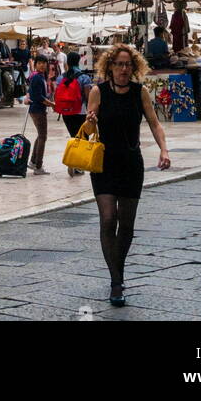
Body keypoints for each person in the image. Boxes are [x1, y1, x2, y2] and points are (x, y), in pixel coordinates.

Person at [84, 44, 171, 307]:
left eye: (127, 65)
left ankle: (117, 272)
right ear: (109, 66)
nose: (123, 69)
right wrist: (90, 121)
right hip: (104, 163)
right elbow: (87, 130)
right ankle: (116, 282)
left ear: (134, 67)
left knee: (127, 224)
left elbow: (154, 122)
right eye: (119, 64)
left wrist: (164, 149)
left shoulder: (139, 91)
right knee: (109, 219)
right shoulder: (97, 92)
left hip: (132, 162)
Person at [53, 50, 91, 177]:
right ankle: (78, 165)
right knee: (83, 138)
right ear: (78, 61)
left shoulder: (60, 78)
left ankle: (72, 161)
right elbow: (87, 96)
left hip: (66, 112)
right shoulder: (84, 77)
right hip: (80, 111)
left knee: (73, 137)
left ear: (68, 62)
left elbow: (56, 95)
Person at [27, 55, 52, 175]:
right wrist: (51, 104)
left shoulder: (39, 76)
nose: (42, 65)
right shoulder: (37, 77)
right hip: (38, 110)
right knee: (43, 137)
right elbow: (38, 97)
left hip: (37, 109)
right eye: (40, 63)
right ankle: (38, 166)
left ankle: (33, 161)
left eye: (44, 63)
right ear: (35, 64)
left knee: (40, 135)